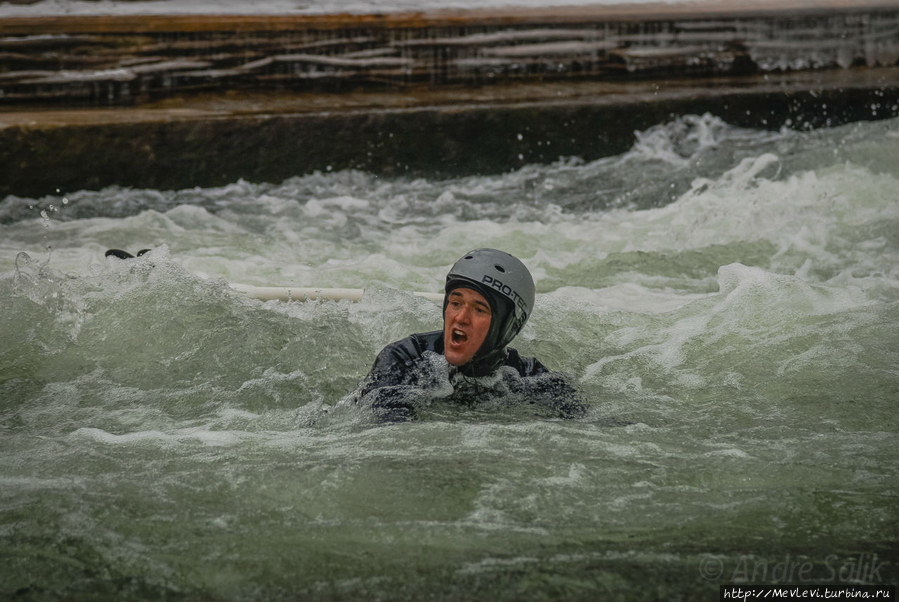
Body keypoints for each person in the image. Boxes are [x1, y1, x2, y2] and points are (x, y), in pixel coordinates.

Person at [359, 248, 586, 422]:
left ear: (508, 328)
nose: (461, 318)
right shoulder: (405, 359)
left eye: (479, 309)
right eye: (456, 303)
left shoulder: (528, 377)